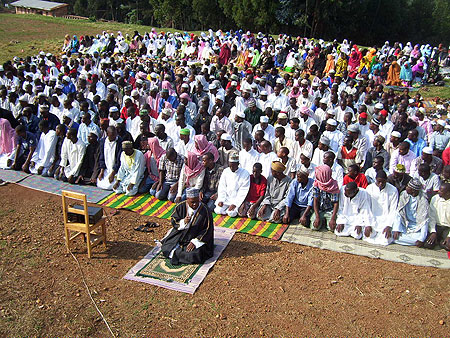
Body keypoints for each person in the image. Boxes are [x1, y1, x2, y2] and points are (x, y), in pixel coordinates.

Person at [161, 188, 214, 265]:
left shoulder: (205, 210)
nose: (195, 204)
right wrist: (183, 222)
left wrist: (195, 242)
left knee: (194, 255)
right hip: (180, 234)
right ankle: (178, 254)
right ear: (187, 200)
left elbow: (208, 229)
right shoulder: (180, 206)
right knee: (166, 248)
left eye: (197, 201)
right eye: (192, 202)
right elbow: (174, 221)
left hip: (197, 237)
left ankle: (178, 255)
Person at [391, 179, 429, 247]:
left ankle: (417, 241)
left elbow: (424, 221)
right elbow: (399, 213)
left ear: (413, 190)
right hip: (405, 224)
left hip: (416, 227)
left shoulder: (423, 200)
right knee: (392, 235)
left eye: (408, 187)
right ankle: (412, 242)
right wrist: (397, 229)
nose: (406, 188)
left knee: (419, 240)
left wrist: (422, 239)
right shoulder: (404, 194)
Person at [365, 170, 399, 245]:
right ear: (375, 180)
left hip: (386, 220)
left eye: (383, 182)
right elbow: (367, 208)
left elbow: (393, 209)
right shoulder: (369, 188)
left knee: (386, 240)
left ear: (386, 180)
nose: (380, 184)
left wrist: (388, 225)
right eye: (378, 182)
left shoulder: (393, 190)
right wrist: (368, 224)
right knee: (368, 235)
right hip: (372, 219)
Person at [215, 152, 250, 217]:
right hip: (226, 198)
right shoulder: (226, 171)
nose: (231, 168)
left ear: (238, 164)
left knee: (232, 213)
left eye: (233, 166)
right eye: (230, 166)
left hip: (236, 199)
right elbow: (222, 187)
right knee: (218, 210)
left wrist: (235, 204)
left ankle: (229, 210)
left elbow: (243, 191)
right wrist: (221, 200)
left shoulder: (245, 173)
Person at [310, 165, 339, 231]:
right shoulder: (316, 184)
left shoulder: (334, 185)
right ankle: (321, 220)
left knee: (332, 228)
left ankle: (326, 221)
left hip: (330, 210)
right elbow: (315, 201)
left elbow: (335, 203)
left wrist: (333, 218)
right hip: (319, 210)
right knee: (314, 227)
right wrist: (317, 216)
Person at [425, 183, 450, 251]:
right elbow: (431, 216)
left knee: (448, 246)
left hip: (448, 228)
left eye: (441, 191)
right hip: (437, 226)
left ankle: (441, 242)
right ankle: (440, 242)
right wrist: (433, 231)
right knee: (428, 244)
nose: (438, 191)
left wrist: (449, 236)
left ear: (448, 193)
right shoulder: (435, 198)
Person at [97, 126, 122, 190]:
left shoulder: (119, 141)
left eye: (115, 134)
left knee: (112, 185)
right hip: (106, 169)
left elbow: (119, 160)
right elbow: (101, 157)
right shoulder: (103, 141)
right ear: (107, 134)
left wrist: (113, 173)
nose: (114, 137)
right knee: (100, 183)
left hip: (116, 170)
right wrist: (102, 171)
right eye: (112, 135)